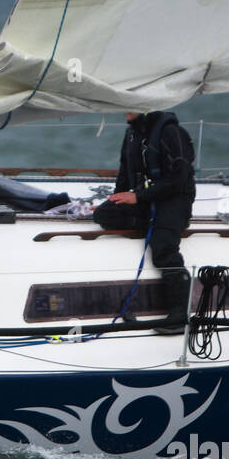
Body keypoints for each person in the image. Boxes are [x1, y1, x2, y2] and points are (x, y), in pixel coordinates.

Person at [94, 110, 196, 333]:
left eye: (131, 106)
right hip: (146, 197)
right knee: (103, 215)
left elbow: (178, 180)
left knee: (163, 245)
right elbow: (124, 174)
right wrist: (115, 199)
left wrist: (137, 197)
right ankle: (151, 221)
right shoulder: (132, 135)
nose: (124, 111)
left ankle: (179, 315)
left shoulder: (172, 133)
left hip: (175, 198)